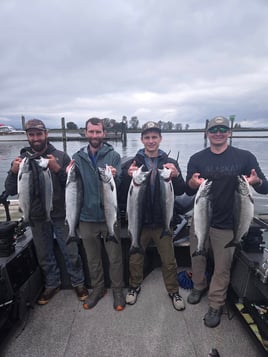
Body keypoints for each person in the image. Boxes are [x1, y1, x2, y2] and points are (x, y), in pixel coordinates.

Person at [185, 115, 268, 327]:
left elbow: (264, 188)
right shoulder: (197, 158)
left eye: (223, 129)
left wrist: (257, 181)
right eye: (214, 130)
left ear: (229, 133)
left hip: (229, 224)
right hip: (201, 219)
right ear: (207, 134)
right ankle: (198, 286)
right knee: (197, 256)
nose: (218, 133)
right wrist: (193, 184)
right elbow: (187, 188)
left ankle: (216, 304)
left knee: (223, 267)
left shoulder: (245, 157)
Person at [5, 119, 88, 305]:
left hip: (60, 214)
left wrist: (58, 170)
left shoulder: (61, 156)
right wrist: (12, 171)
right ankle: (52, 284)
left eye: (39, 134)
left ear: (46, 134)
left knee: (71, 251)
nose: (35, 138)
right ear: (27, 136)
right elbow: (10, 190)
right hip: (35, 217)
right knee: (44, 254)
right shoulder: (21, 161)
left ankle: (79, 282)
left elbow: (73, 185)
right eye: (31, 134)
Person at [120, 121, 186, 311]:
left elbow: (182, 190)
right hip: (138, 221)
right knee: (135, 257)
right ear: (142, 139)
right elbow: (122, 192)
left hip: (162, 222)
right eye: (147, 137)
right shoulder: (133, 163)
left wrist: (177, 176)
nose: (151, 141)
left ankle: (173, 291)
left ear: (160, 139)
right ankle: (134, 286)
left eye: (154, 137)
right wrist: (126, 175)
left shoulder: (170, 163)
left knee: (169, 260)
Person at [72, 117, 125, 311]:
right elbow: (72, 186)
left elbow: (118, 186)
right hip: (86, 218)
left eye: (98, 132)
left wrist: (115, 175)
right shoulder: (77, 157)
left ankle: (118, 290)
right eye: (91, 132)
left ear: (104, 133)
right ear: (86, 133)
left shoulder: (114, 156)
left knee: (115, 257)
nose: (95, 135)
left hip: (109, 217)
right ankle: (98, 288)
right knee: (92, 258)